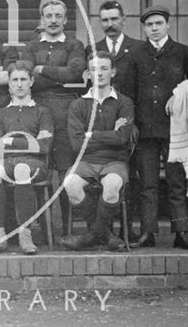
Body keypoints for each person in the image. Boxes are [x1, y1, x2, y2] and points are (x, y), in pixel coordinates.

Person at [131, 5, 188, 249]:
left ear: (167, 25)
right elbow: (127, 90)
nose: (154, 28)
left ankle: (181, 232)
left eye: (158, 24)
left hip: (175, 130)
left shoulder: (181, 52)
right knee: (148, 184)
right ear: (144, 28)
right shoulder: (136, 53)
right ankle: (148, 233)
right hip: (145, 130)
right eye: (149, 25)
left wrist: (181, 93)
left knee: (176, 183)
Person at [20, 0, 86, 235]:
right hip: (37, 113)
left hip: (67, 112)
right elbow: (27, 77)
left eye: (58, 16)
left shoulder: (74, 45)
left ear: (65, 20)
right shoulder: (31, 47)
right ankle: (41, 228)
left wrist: (43, 70)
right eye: (49, 16)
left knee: (66, 170)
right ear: (42, 19)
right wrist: (59, 76)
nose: (54, 20)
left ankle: (67, 229)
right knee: (38, 169)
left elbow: (75, 74)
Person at [60, 51, 134, 252]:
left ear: (113, 71)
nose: (99, 73)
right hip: (86, 160)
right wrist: (110, 134)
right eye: (93, 69)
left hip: (115, 161)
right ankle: (106, 235)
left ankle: (91, 236)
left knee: (111, 187)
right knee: (70, 185)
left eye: (104, 68)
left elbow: (122, 139)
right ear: (87, 74)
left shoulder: (124, 103)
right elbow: (77, 144)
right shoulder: (78, 105)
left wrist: (90, 135)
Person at [85, 0, 144, 241]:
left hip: (129, 120)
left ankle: (127, 228)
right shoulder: (93, 48)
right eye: (105, 20)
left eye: (114, 19)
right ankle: (102, 231)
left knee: (130, 176)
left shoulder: (138, 48)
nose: (110, 24)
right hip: (102, 121)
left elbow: (142, 87)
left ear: (123, 19)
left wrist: (129, 122)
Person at [0, 60, 53, 255]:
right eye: (15, 80)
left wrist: (10, 142)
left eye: (24, 79)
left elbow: (45, 146)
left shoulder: (42, 112)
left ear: (31, 81)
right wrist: (31, 142)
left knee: (21, 168)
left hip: (36, 165)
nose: (19, 84)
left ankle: (25, 232)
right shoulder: (0, 114)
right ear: (9, 83)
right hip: (6, 162)